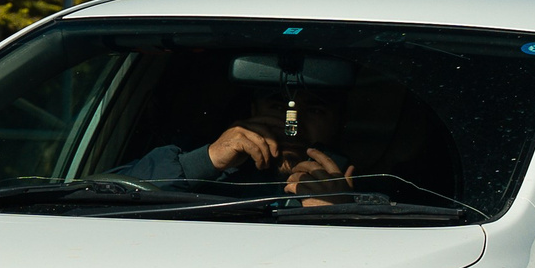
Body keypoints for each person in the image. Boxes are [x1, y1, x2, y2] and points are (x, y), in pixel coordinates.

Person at [116, 85, 357, 197]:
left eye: (315, 111)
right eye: (277, 107)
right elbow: (108, 193)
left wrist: (339, 214)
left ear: (339, 122)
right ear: (254, 111)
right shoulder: (207, 171)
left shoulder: (370, 184)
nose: (292, 126)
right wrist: (205, 161)